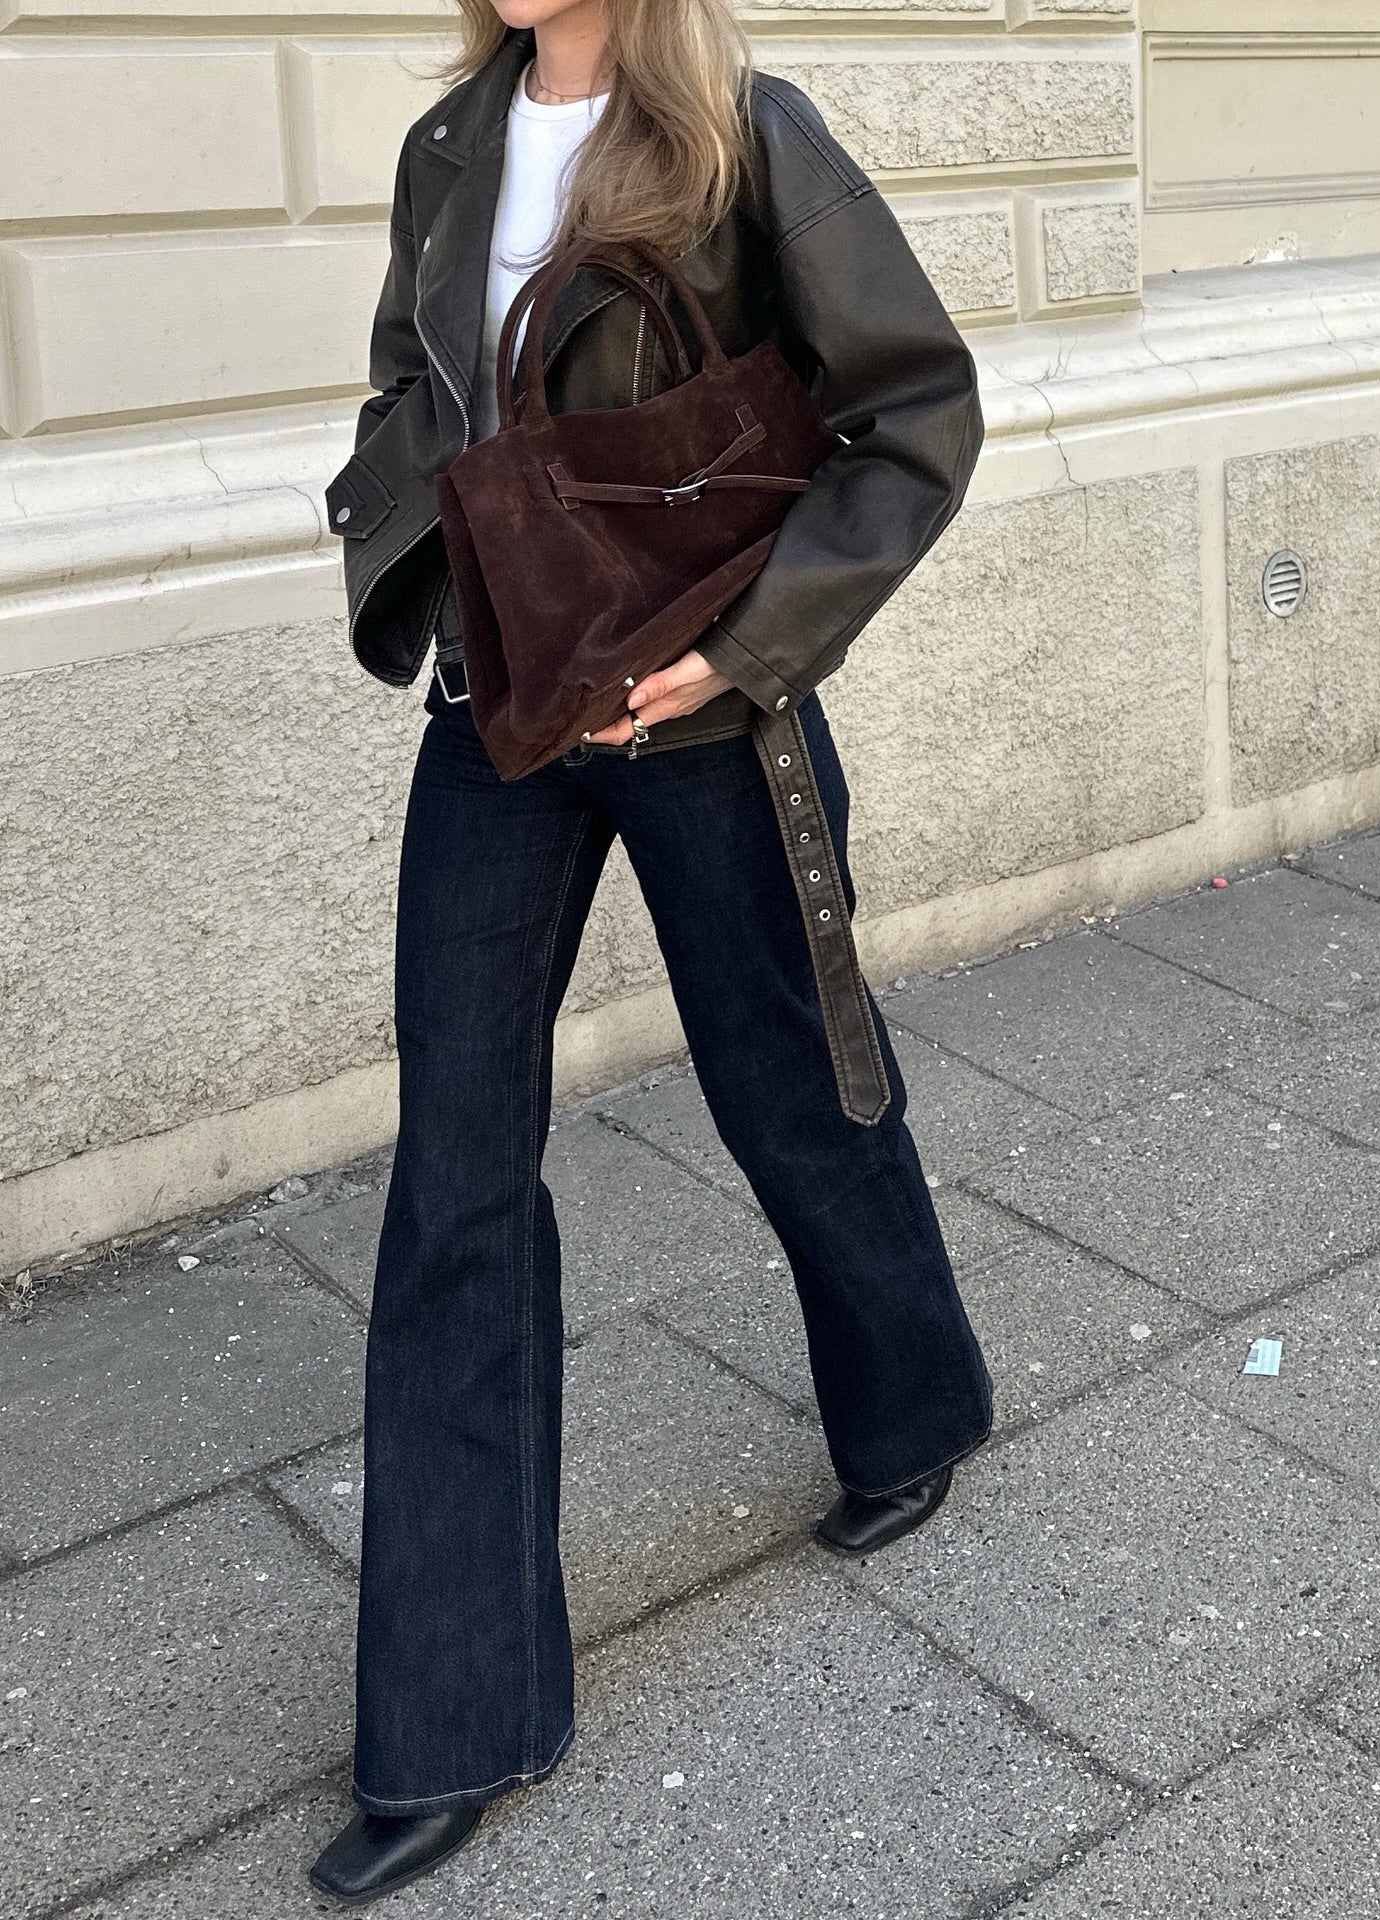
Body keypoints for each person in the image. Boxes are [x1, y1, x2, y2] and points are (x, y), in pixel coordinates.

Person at [310, 0, 993, 1903]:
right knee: (453, 1174)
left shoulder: (742, 130)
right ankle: (452, 1714)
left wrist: (742, 649)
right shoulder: (452, 146)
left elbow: (914, 411)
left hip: (710, 720)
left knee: (790, 1084)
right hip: (500, 720)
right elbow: (409, 386)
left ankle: (914, 1404)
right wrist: (419, 546)